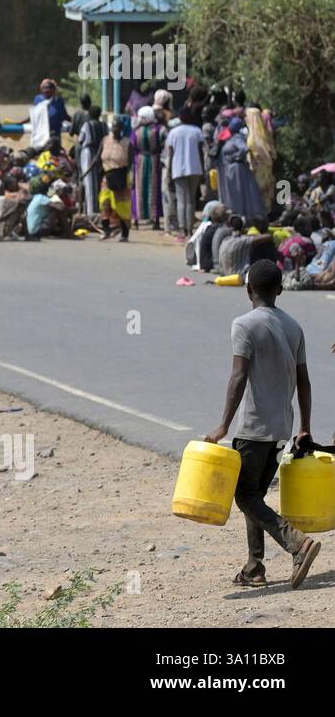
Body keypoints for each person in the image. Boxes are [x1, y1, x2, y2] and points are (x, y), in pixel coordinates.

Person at [204, 261, 320, 589]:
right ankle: (254, 567)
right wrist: (305, 426)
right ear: (280, 290)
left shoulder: (243, 324)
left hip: (254, 428)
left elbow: (239, 376)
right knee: (254, 496)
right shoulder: (294, 326)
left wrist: (223, 425)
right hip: (282, 428)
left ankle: (297, 543)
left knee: (244, 497)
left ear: (248, 290)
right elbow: (304, 381)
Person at [166, 107, 205, 239]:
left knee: (181, 200)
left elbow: (171, 154)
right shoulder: (197, 131)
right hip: (195, 168)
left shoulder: (173, 132)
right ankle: (189, 229)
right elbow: (200, 152)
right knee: (191, 200)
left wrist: (169, 172)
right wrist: (202, 169)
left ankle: (182, 229)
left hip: (178, 168)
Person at [219, 117, 266, 221]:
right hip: (232, 170)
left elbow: (245, 148)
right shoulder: (232, 138)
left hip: (237, 170)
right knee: (235, 193)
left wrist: (235, 157)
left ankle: (242, 216)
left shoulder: (237, 138)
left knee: (238, 193)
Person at [131, 105, 165, 229]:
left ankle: (136, 220)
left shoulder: (135, 132)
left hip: (139, 161)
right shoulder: (159, 129)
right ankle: (156, 220)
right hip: (154, 161)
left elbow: (132, 147)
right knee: (154, 189)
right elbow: (164, 144)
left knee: (138, 189)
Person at [99, 118, 132, 241]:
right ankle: (106, 230)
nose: (114, 129)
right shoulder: (105, 140)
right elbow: (98, 156)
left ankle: (124, 234)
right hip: (107, 177)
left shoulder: (127, 143)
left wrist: (130, 178)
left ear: (121, 129)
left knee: (122, 206)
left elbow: (131, 163)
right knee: (104, 203)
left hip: (121, 177)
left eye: (117, 127)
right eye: (113, 126)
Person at [75, 104, 106, 216]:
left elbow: (80, 140)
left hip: (89, 153)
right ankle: (101, 209)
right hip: (102, 152)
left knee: (89, 182)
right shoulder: (104, 125)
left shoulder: (86, 125)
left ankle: (91, 211)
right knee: (100, 180)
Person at [246, 105, 277, 213]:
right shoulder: (265, 132)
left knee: (259, 191)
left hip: (257, 167)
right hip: (265, 166)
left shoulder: (252, 136)